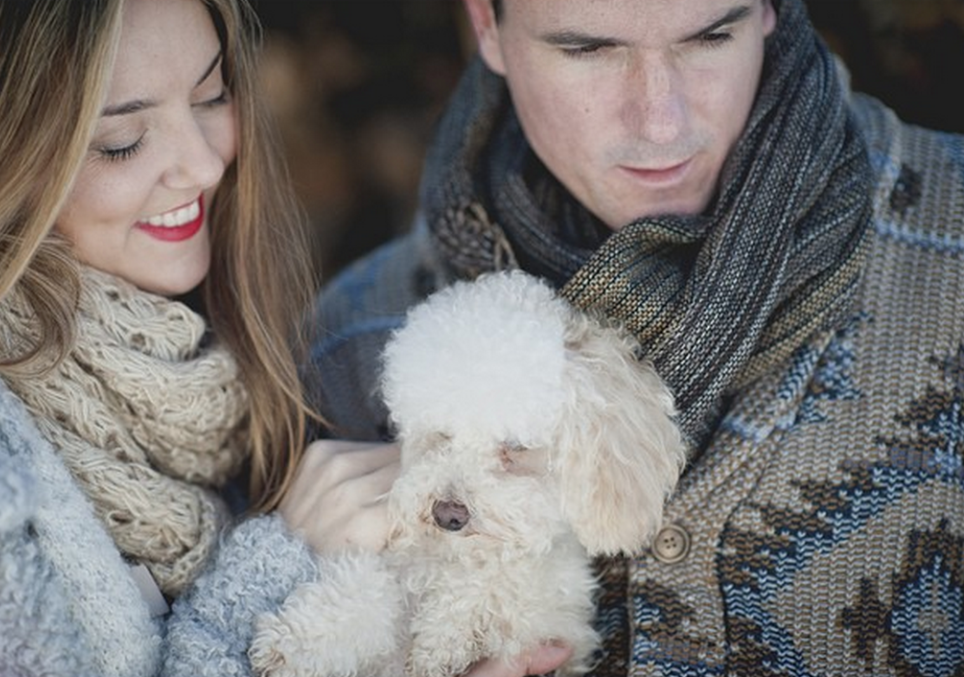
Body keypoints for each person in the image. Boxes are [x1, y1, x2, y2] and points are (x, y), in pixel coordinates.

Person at [309, 0, 964, 674]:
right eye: (587, 49)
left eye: (711, 36)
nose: (660, 121)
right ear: (486, 26)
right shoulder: (348, 339)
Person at [0, 0, 327, 674]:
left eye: (211, 95)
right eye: (123, 140)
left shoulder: (248, 363)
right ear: (0, 157)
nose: (204, 166)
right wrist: (287, 557)